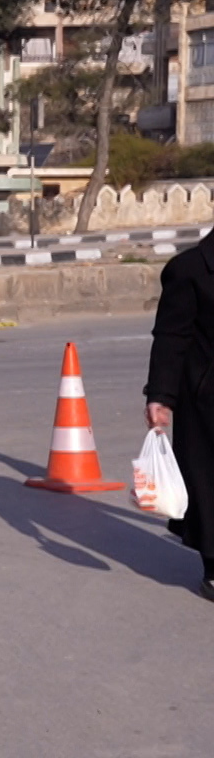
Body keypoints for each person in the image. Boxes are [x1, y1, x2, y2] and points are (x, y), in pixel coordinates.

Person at [146, 231, 214, 601]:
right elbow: (171, 337)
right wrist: (160, 395)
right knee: (207, 484)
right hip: (206, 400)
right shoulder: (189, 271)